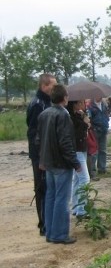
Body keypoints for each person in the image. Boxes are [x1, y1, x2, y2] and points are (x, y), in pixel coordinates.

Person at [37, 84, 81, 244]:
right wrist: (75, 163)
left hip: (48, 163)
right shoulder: (63, 115)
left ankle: (49, 232)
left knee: (50, 197)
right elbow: (65, 142)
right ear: (65, 97)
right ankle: (60, 234)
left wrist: (42, 160)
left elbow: (39, 140)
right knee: (62, 199)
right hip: (61, 164)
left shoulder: (44, 114)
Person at [26, 73, 57, 236]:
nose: (55, 88)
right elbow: (34, 134)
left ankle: (48, 220)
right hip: (40, 155)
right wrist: (40, 157)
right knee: (42, 188)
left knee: (49, 188)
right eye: (53, 85)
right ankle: (43, 224)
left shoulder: (47, 102)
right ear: (44, 86)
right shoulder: (37, 105)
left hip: (47, 153)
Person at [67, 100, 91, 219]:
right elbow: (75, 134)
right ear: (75, 104)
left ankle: (76, 207)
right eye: (81, 102)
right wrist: (85, 123)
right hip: (77, 151)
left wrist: (84, 118)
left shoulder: (78, 115)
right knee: (84, 179)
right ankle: (82, 209)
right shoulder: (71, 118)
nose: (84, 105)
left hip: (81, 149)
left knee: (76, 179)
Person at [88, 96, 110, 175]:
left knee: (103, 150)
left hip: (103, 129)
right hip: (95, 130)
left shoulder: (104, 104)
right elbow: (89, 118)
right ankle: (92, 171)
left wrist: (107, 121)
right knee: (93, 151)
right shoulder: (90, 106)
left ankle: (102, 169)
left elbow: (106, 115)